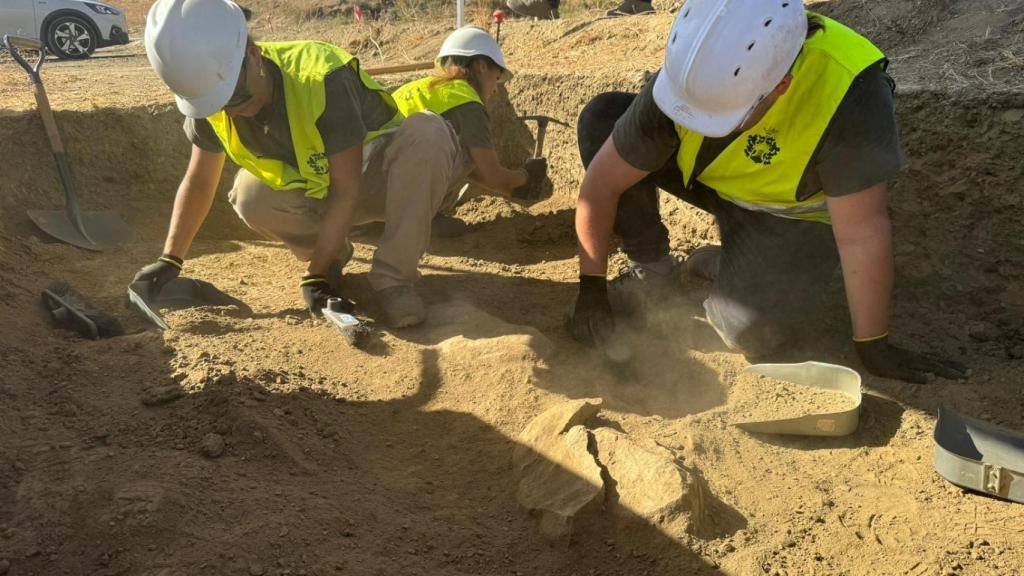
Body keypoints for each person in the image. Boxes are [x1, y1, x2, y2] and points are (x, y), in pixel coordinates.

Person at [567, 0, 967, 383]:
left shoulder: (850, 93)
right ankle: (653, 272)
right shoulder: (694, 71)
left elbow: (862, 231)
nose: (700, 126)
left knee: (750, 334)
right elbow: (601, 186)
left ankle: (727, 265)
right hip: (715, 181)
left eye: (722, 117)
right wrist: (591, 290)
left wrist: (872, 343)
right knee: (604, 119)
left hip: (785, 218)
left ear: (781, 86)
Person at [131, 0, 463, 328]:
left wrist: (313, 276)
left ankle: (393, 281)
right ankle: (332, 256)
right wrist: (169, 260)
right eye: (215, 103)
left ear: (252, 56)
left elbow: (346, 190)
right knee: (249, 195)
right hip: (319, 190)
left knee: (428, 131)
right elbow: (199, 181)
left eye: (234, 99)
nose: (229, 112)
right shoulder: (211, 96)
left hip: (382, 180)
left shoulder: (322, 77)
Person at [391, 26, 548, 213]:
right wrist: (527, 177)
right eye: (496, 78)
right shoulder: (467, 103)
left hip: (373, 191)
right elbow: (492, 176)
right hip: (400, 201)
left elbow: (472, 173)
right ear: (482, 66)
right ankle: (427, 218)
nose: (496, 89)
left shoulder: (413, 89)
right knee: (465, 153)